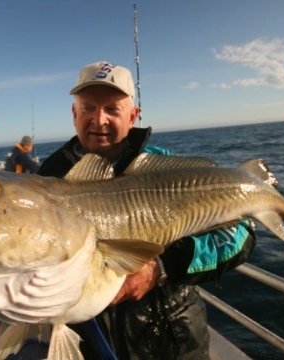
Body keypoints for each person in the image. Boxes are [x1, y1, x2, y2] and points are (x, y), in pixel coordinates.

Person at [35, 61, 257, 359]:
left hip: (173, 342)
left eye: (112, 110)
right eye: (88, 107)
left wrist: (160, 268)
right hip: (85, 345)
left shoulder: (164, 169)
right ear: (74, 114)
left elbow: (240, 235)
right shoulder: (44, 181)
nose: (98, 120)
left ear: (133, 116)